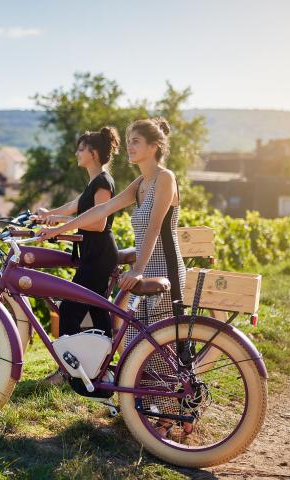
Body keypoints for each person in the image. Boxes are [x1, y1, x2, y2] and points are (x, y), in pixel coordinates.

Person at [39, 118, 189, 437]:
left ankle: (176, 416)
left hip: (165, 270)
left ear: (154, 147)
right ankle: (150, 412)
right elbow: (99, 211)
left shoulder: (165, 179)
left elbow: (152, 230)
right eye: (129, 141)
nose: (130, 147)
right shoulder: (140, 184)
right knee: (137, 344)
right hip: (146, 269)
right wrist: (57, 228)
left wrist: (137, 270)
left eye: (136, 141)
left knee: (159, 346)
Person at [36, 126, 120, 384]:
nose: (77, 153)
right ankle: (101, 367)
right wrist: (47, 216)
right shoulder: (94, 182)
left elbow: (98, 223)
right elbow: (74, 208)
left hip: (99, 255)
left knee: (70, 309)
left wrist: (59, 227)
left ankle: (68, 371)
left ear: (93, 153)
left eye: (81, 148)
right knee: (96, 312)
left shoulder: (103, 183)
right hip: (93, 254)